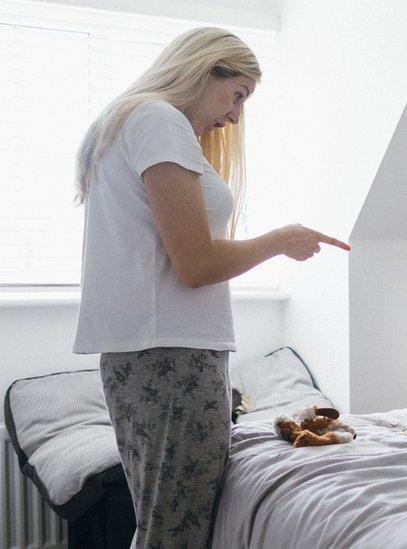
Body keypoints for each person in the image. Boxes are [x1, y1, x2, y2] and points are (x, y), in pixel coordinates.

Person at [71, 27, 349, 548]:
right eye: (236, 94)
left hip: (155, 352)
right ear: (204, 69)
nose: (234, 117)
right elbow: (195, 264)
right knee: (177, 533)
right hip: (171, 357)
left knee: (167, 526)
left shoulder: (133, 121)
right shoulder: (158, 119)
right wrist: (281, 239)